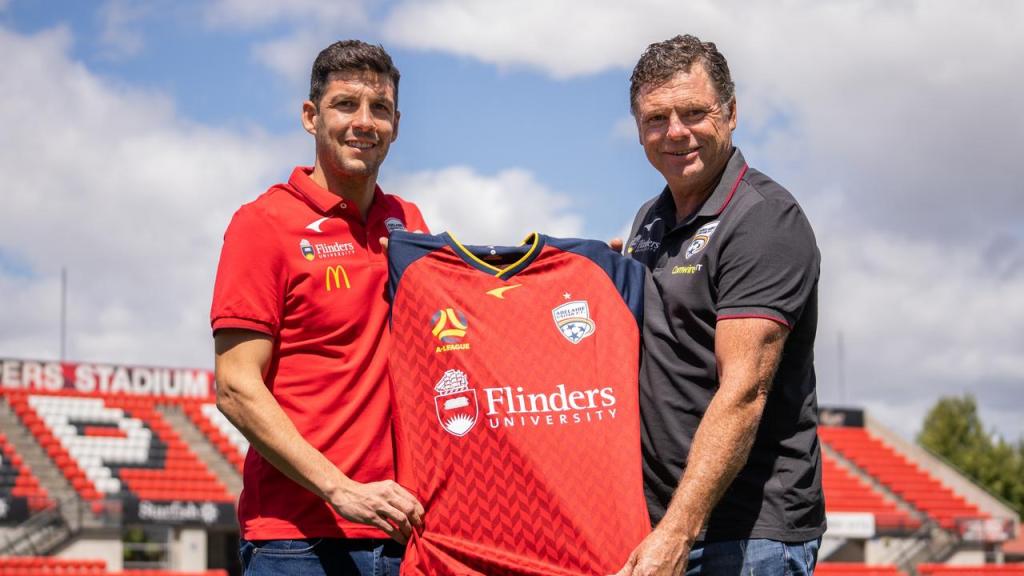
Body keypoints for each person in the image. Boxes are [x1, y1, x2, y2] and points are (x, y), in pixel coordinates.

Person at [210, 40, 427, 576]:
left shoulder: (409, 222)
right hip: (297, 542)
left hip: (403, 532)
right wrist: (340, 488)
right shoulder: (263, 224)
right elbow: (235, 386)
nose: (364, 122)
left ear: (396, 124)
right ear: (311, 116)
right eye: (345, 104)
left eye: (379, 108)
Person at [615, 35, 825, 576]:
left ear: (730, 114)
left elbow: (744, 391)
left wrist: (676, 532)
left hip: (746, 538)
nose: (675, 132)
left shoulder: (763, 219)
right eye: (656, 118)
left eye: (693, 112)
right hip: (664, 525)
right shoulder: (648, 221)